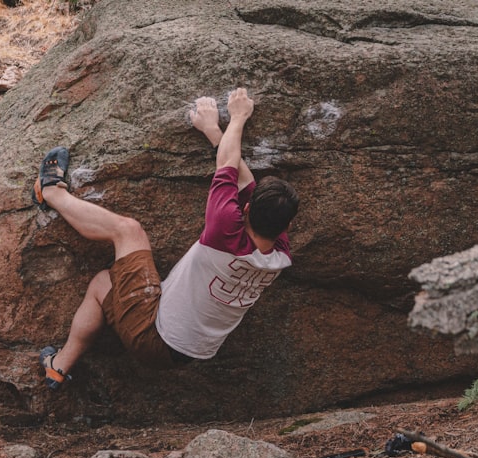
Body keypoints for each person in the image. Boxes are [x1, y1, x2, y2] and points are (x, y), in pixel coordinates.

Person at [31, 87, 298, 389]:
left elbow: (229, 167)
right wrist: (212, 130)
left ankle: (50, 191)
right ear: (286, 224)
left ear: (245, 209)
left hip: (154, 332)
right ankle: (58, 367)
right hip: (186, 352)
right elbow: (245, 182)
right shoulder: (280, 255)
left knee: (128, 231)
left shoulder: (225, 230)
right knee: (104, 284)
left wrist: (236, 118)